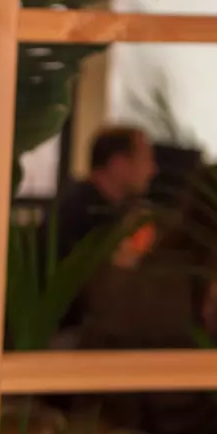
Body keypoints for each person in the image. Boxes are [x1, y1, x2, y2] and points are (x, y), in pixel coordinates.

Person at [46, 125, 158, 336]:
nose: (152, 170)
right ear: (119, 164)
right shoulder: (82, 212)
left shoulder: (107, 208)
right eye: (145, 159)